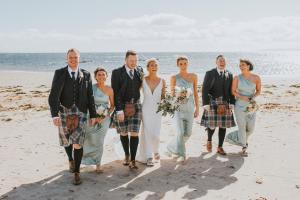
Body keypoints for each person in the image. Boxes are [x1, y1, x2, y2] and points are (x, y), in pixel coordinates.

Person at [48, 48, 97, 185]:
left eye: (75, 57)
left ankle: (76, 172)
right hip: (64, 111)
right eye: (71, 57)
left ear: (79, 58)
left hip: (81, 112)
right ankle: (70, 159)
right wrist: (54, 115)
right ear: (67, 59)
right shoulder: (59, 73)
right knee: (66, 140)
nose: (73, 60)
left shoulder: (86, 74)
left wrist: (93, 114)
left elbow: (90, 96)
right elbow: (53, 96)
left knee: (77, 143)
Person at [111, 50, 143, 169]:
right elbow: (115, 92)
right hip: (122, 106)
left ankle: (133, 160)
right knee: (124, 132)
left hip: (136, 105)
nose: (133, 63)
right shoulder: (117, 72)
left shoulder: (140, 71)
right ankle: (127, 156)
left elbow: (140, 86)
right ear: (125, 60)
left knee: (134, 133)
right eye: (131, 60)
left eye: (135, 60)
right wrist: (119, 110)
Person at [200, 55, 236, 156]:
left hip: (225, 102)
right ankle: (209, 140)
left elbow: (231, 90)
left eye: (224, 61)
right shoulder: (210, 73)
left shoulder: (230, 74)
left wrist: (232, 102)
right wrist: (205, 103)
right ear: (216, 62)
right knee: (212, 126)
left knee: (223, 126)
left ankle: (220, 147)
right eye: (220, 61)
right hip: (212, 102)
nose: (222, 62)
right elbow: (205, 89)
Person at [166, 56, 199, 163]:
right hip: (178, 108)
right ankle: (182, 154)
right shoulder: (174, 77)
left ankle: (171, 147)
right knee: (180, 133)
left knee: (188, 133)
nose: (183, 66)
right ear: (177, 65)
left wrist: (198, 108)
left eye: (185, 63)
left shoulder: (193, 76)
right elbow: (172, 95)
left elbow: (195, 93)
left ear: (187, 64)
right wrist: (177, 98)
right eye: (181, 64)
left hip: (190, 108)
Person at [82, 67, 114, 172]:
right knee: (89, 139)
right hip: (90, 117)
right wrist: (93, 116)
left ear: (106, 76)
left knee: (99, 141)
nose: (101, 76)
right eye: (99, 74)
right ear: (95, 77)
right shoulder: (91, 88)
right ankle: (86, 160)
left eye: (103, 74)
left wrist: (105, 115)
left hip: (104, 119)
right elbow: (86, 103)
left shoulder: (110, 89)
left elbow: (113, 105)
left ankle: (98, 164)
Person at [226, 59, 261, 156]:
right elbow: (233, 91)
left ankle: (233, 137)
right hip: (239, 105)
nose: (241, 67)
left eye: (243, 65)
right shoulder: (237, 78)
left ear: (248, 66)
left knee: (250, 128)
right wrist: (243, 97)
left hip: (251, 106)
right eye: (240, 65)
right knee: (242, 126)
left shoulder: (256, 78)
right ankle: (244, 147)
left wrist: (252, 97)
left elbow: (258, 91)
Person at [137, 58, 166, 166]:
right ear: (148, 67)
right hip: (146, 109)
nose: (154, 67)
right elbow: (135, 93)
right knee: (147, 131)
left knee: (156, 132)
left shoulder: (162, 80)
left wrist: (166, 104)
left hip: (158, 110)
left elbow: (163, 96)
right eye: (151, 65)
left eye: (155, 65)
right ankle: (149, 156)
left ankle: (155, 150)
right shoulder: (143, 80)